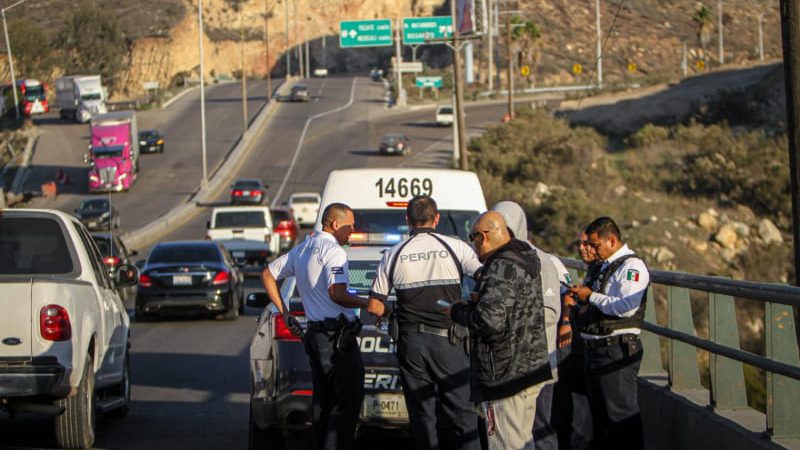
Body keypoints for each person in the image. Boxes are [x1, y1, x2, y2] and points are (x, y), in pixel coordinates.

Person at [261, 202, 382, 450]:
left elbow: (267, 274)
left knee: (323, 405)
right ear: (335, 224)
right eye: (350, 226)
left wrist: (285, 312)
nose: (353, 231)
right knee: (345, 406)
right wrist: (369, 302)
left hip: (316, 336)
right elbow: (337, 293)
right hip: (336, 339)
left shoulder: (303, 249)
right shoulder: (334, 251)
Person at [368, 195, 482, 450]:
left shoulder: (393, 254)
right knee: (462, 413)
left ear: (407, 220)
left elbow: (375, 306)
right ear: (437, 218)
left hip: (412, 344)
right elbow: (484, 278)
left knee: (422, 416)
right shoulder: (456, 247)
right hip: (450, 342)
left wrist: (392, 313)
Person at [450, 211, 552, 450]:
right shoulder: (524, 257)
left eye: (472, 238)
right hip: (530, 368)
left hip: (505, 377)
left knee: (505, 444)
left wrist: (459, 312)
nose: (473, 245)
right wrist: (483, 299)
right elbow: (514, 305)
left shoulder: (500, 266)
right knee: (523, 442)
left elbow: (489, 322)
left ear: (483, 236)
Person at [490, 201, 569, 450]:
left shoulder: (543, 262)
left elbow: (550, 312)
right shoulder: (497, 262)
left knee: (540, 426)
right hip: (505, 367)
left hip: (537, 364)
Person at [568, 217, 649, 450]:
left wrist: (590, 297)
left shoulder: (631, 267)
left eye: (595, 245)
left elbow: (627, 306)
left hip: (616, 350)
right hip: (595, 350)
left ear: (611, 240)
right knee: (602, 423)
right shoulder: (602, 266)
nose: (591, 250)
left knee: (622, 421)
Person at [551, 231, 599, 449]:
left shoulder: (607, 272)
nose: (582, 248)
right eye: (579, 243)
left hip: (592, 346)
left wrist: (567, 322)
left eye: (588, 244)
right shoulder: (592, 272)